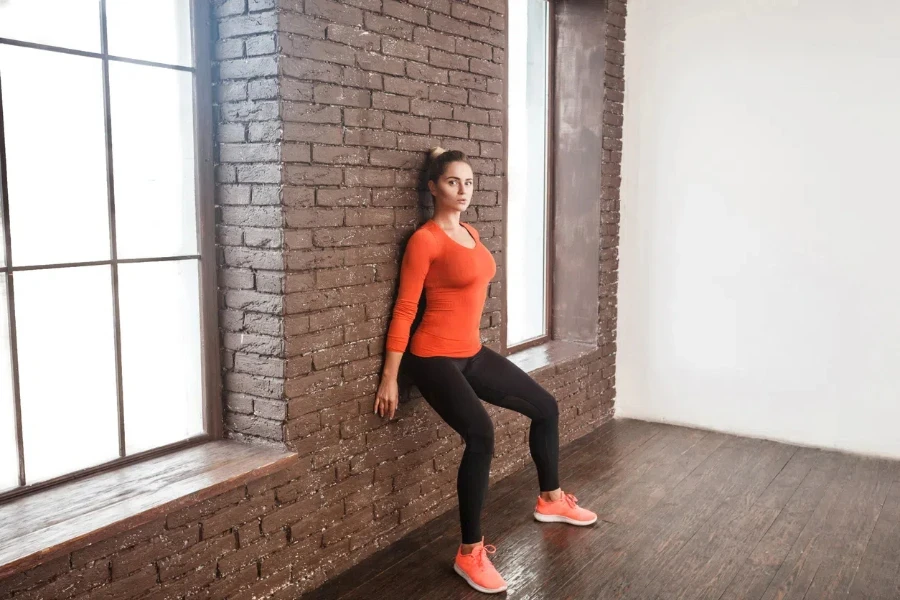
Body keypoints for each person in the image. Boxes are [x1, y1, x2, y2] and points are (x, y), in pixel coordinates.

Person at [374, 148, 598, 594]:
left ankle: (551, 500)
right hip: (432, 355)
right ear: (433, 187)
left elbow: (469, 284)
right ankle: (469, 552)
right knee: (482, 435)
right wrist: (390, 375)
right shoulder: (425, 240)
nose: (462, 191)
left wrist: (444, 157)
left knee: (546, 407)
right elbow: (403, 309)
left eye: (469, 183)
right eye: (453, 182)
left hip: (471, 351)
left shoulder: (471, 232)